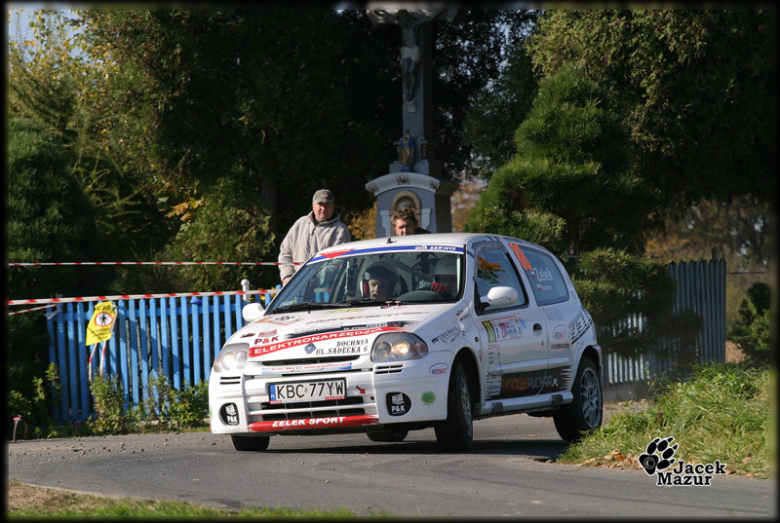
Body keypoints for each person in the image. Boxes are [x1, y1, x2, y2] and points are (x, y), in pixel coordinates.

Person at [278, 189, 351, 286]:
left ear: (333, 206)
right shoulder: (300, 223)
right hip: (296, 287)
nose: (323, 208)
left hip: (326, 290)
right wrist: (287, 277)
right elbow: (285, 253)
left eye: (327, 205)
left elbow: (338, 262)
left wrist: (313, 279)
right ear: (313, 205)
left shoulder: (340, 230)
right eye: (320, 204)